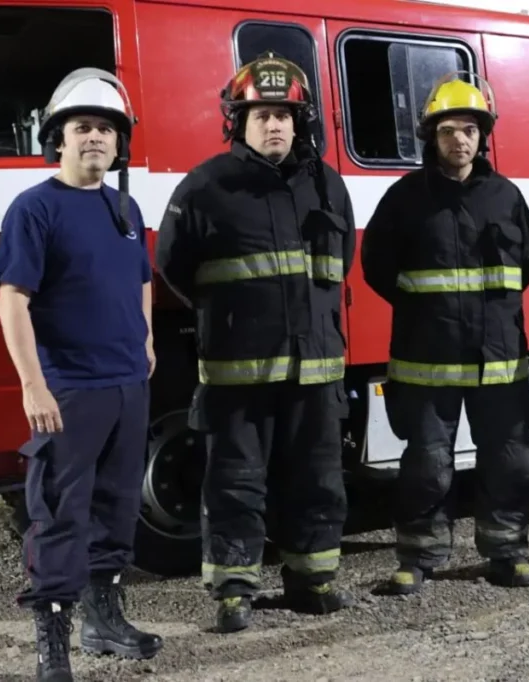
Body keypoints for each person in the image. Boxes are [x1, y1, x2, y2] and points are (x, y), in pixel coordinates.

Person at [154, 52, 357, 632]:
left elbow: (342, 261)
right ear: (238, 122)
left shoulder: (327, 185)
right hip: (237, 372)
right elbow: (173, 265)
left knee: (317, 478)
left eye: (284, 115)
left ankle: (312, 579)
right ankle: (234, 590)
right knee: (234, 481)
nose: (274, 125)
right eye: (262, 115)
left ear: (299, 123)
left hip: (315, 369)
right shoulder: (206, 186)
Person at [0, 68, 163, 682]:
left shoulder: (124, 207)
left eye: (105, 129)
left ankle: (104, 619)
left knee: (117, 507)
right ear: (57, 139)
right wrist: (32, 384)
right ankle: (53, 643)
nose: (94, 137)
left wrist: (146, 339)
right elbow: (13, 300)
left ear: (119, 144)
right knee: (60, 514)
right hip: (68, 389)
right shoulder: (35, 208)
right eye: (81, 127)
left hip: (127, 386)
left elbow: (141, 278)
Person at [361, 72, 529, 594]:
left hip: (498, 361)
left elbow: (527, 263)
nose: (459, 139)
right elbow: (377, 266)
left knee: (509, 462)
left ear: (482, 136)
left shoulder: (507, 197)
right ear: (431, 137)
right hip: (427, 360)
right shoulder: (404, 198)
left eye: (469, 129)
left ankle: (507, 553)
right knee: (427, 465)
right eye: (447, 131)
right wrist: (426, 312)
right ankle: (418, 558)